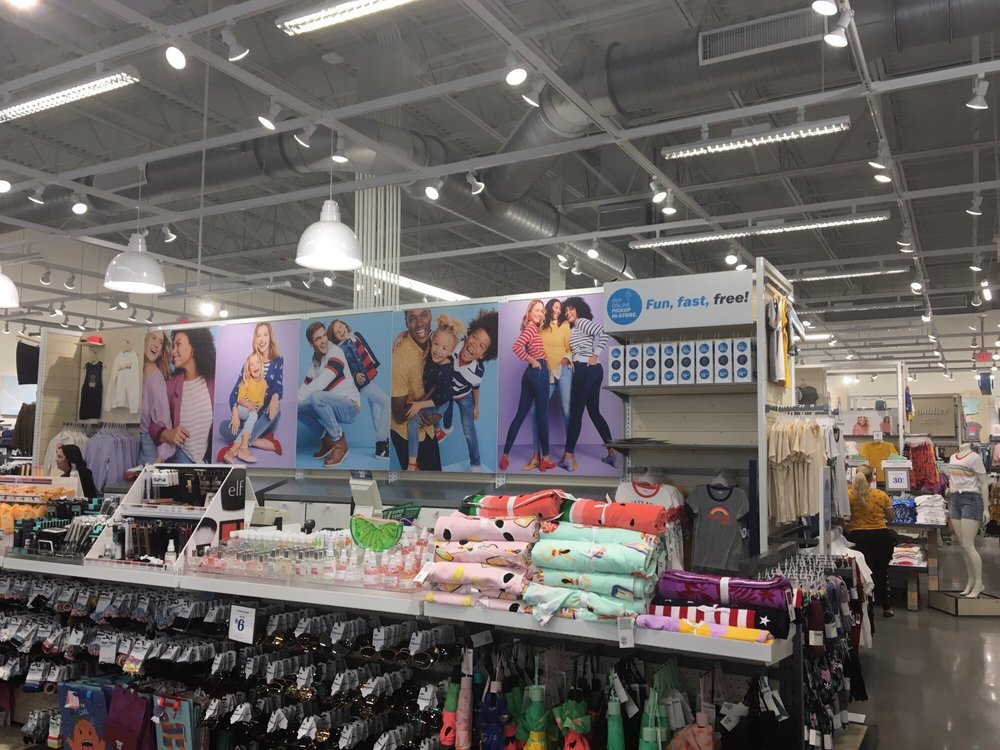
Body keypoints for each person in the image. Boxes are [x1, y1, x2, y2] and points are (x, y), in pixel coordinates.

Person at [560, 296, 617, 472]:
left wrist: (596, 354)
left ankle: (568, 456)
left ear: (578, 309)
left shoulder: (582, 322)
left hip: (585, 370)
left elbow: (604, 332)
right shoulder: (575, 328)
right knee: (594, 413)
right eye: (566, 310)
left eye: (571, 308)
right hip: (593, 371)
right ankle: (612, 452)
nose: (568, 312)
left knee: (576, 414)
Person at [499, 300, 557, 473]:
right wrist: (533, 360)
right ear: (529, 312)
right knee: (542, 416)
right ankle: (545, 459)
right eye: (536, 310)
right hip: (538, 371)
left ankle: (505, 457)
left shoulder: (532, 329)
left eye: (542, 311)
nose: (540, 313)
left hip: (529, 375)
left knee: (519, 416)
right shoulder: (531, 328)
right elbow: (517, 346)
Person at [438, 309, 498, 472]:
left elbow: (475, 388)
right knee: (443, 406)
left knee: (469, 430)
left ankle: (475, 463)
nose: (473, 344)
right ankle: (446, 428)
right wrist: (403, 335)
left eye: (481, 346)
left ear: (483, 356)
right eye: (474, 337)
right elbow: (434, 338)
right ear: (468, 334)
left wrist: (476, 406)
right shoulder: (454, 344)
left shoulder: (477, 372)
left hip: (464, 396)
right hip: (448, 391)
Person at [405, 315, 466, 470]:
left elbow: (441, 398)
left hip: (440, 402)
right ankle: (438, 431)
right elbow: (420, 334)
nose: (438, 350)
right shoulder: (433, 346)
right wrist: (402, 335)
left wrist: (419, 405)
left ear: (451, 351)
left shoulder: (445, 371)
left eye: (444, 348)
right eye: (436, 344)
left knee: (412, 425)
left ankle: (412, 463)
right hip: (433, 395)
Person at [298, 322, 361, 467]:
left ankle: (339, 442)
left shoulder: (336, 352)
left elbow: (321, 383)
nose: (323, 341)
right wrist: (292, 402)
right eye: (318, 339)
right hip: (330, 405)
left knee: (316, 396)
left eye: (324, 335)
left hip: (350, 405)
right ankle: (327, 441)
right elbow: (306, 385)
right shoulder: (314, 361)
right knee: (297, 408)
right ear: (311, 343)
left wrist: (297, 398)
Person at [218, 322, 284, 458]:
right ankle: (261, 442)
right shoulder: (250, 362)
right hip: (247, 417)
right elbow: (234, 393)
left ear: (270, 337)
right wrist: (235, 413)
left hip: (265, 418)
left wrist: (275, 396)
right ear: (255, 339)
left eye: (265, 335)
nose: (262, 339)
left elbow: (278, 385)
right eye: (258, 336)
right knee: (223, 427)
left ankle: (238, 447)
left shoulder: (278, 361)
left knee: (277, 405)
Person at [522, 298, 572, 471]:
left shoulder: (564, 326)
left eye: (560, 308)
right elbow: (532, 348)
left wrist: (566, 359)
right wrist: (534, 362)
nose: (558, 311)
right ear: (549, 308)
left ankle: (569, 453)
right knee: (535, 412)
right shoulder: (540, 328)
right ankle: (537, 455)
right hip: (546, 374)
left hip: (563, 372)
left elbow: (569, 348)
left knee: (567, 412)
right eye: (556, 307)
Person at [328, 319, 391, 459]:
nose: (341, 331)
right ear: (335, 338)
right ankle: (381, 442)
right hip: (364, 383)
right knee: (388, 403)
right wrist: (355, 375)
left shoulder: (356, 336)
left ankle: (382, 442)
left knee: (376, 409)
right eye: (337, 332)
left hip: (371, 375)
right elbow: (344, 369)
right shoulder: (341, 349)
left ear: (345, 325)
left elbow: (367, 351)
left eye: (341, 327)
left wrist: (374, 365)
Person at [391, 308, 442, 470]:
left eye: (424, 315)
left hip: (427, 427)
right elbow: (399, 415)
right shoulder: (400, 356)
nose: (419, 323)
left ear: (431, 316)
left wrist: (436, 414)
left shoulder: (435, 341)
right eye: (412, 318)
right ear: (406, 322)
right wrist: (430, 399)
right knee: (414, 485)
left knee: (436, 483)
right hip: (406, 433)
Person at [844, 464, 895, 617]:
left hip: (858, 537)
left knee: (864, 574)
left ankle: (868, 608)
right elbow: (891, 517)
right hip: (881, 537)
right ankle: (886, 607)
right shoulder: (881, 495)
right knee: (882, 571)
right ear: (872, 478)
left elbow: (842, 519)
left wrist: (849, 529)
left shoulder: (848, 495)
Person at [160, 329, 216, 464]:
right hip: (179, 458)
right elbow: (152, 424)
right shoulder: (169, 386)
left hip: (204, 462)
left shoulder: (212, 382)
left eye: (178, 344)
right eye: (173, 346)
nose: (173, 351)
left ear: (194, 347)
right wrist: (168, 434)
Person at [224, 353, 266, 464]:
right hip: (241, 410)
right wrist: (248, 404)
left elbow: (261, 402)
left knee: (253, 415)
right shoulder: (246, 381)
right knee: (253, 415)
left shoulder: (264, 384)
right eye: (252, 364)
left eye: (257, 363)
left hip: (251, 413)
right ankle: (243, 447)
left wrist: (256, 408)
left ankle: (231, 451)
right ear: (248, 368)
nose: (255, 366)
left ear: (261, 365)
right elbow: (240, 398)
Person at [139, 330, 173, 464]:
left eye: (160, 342)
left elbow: (163, 419)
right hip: (138, 440)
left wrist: (161, 456)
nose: (156, 344)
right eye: (153, 338)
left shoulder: (156, 378)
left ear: (160, 352)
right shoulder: (140, 371)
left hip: (149, 445)